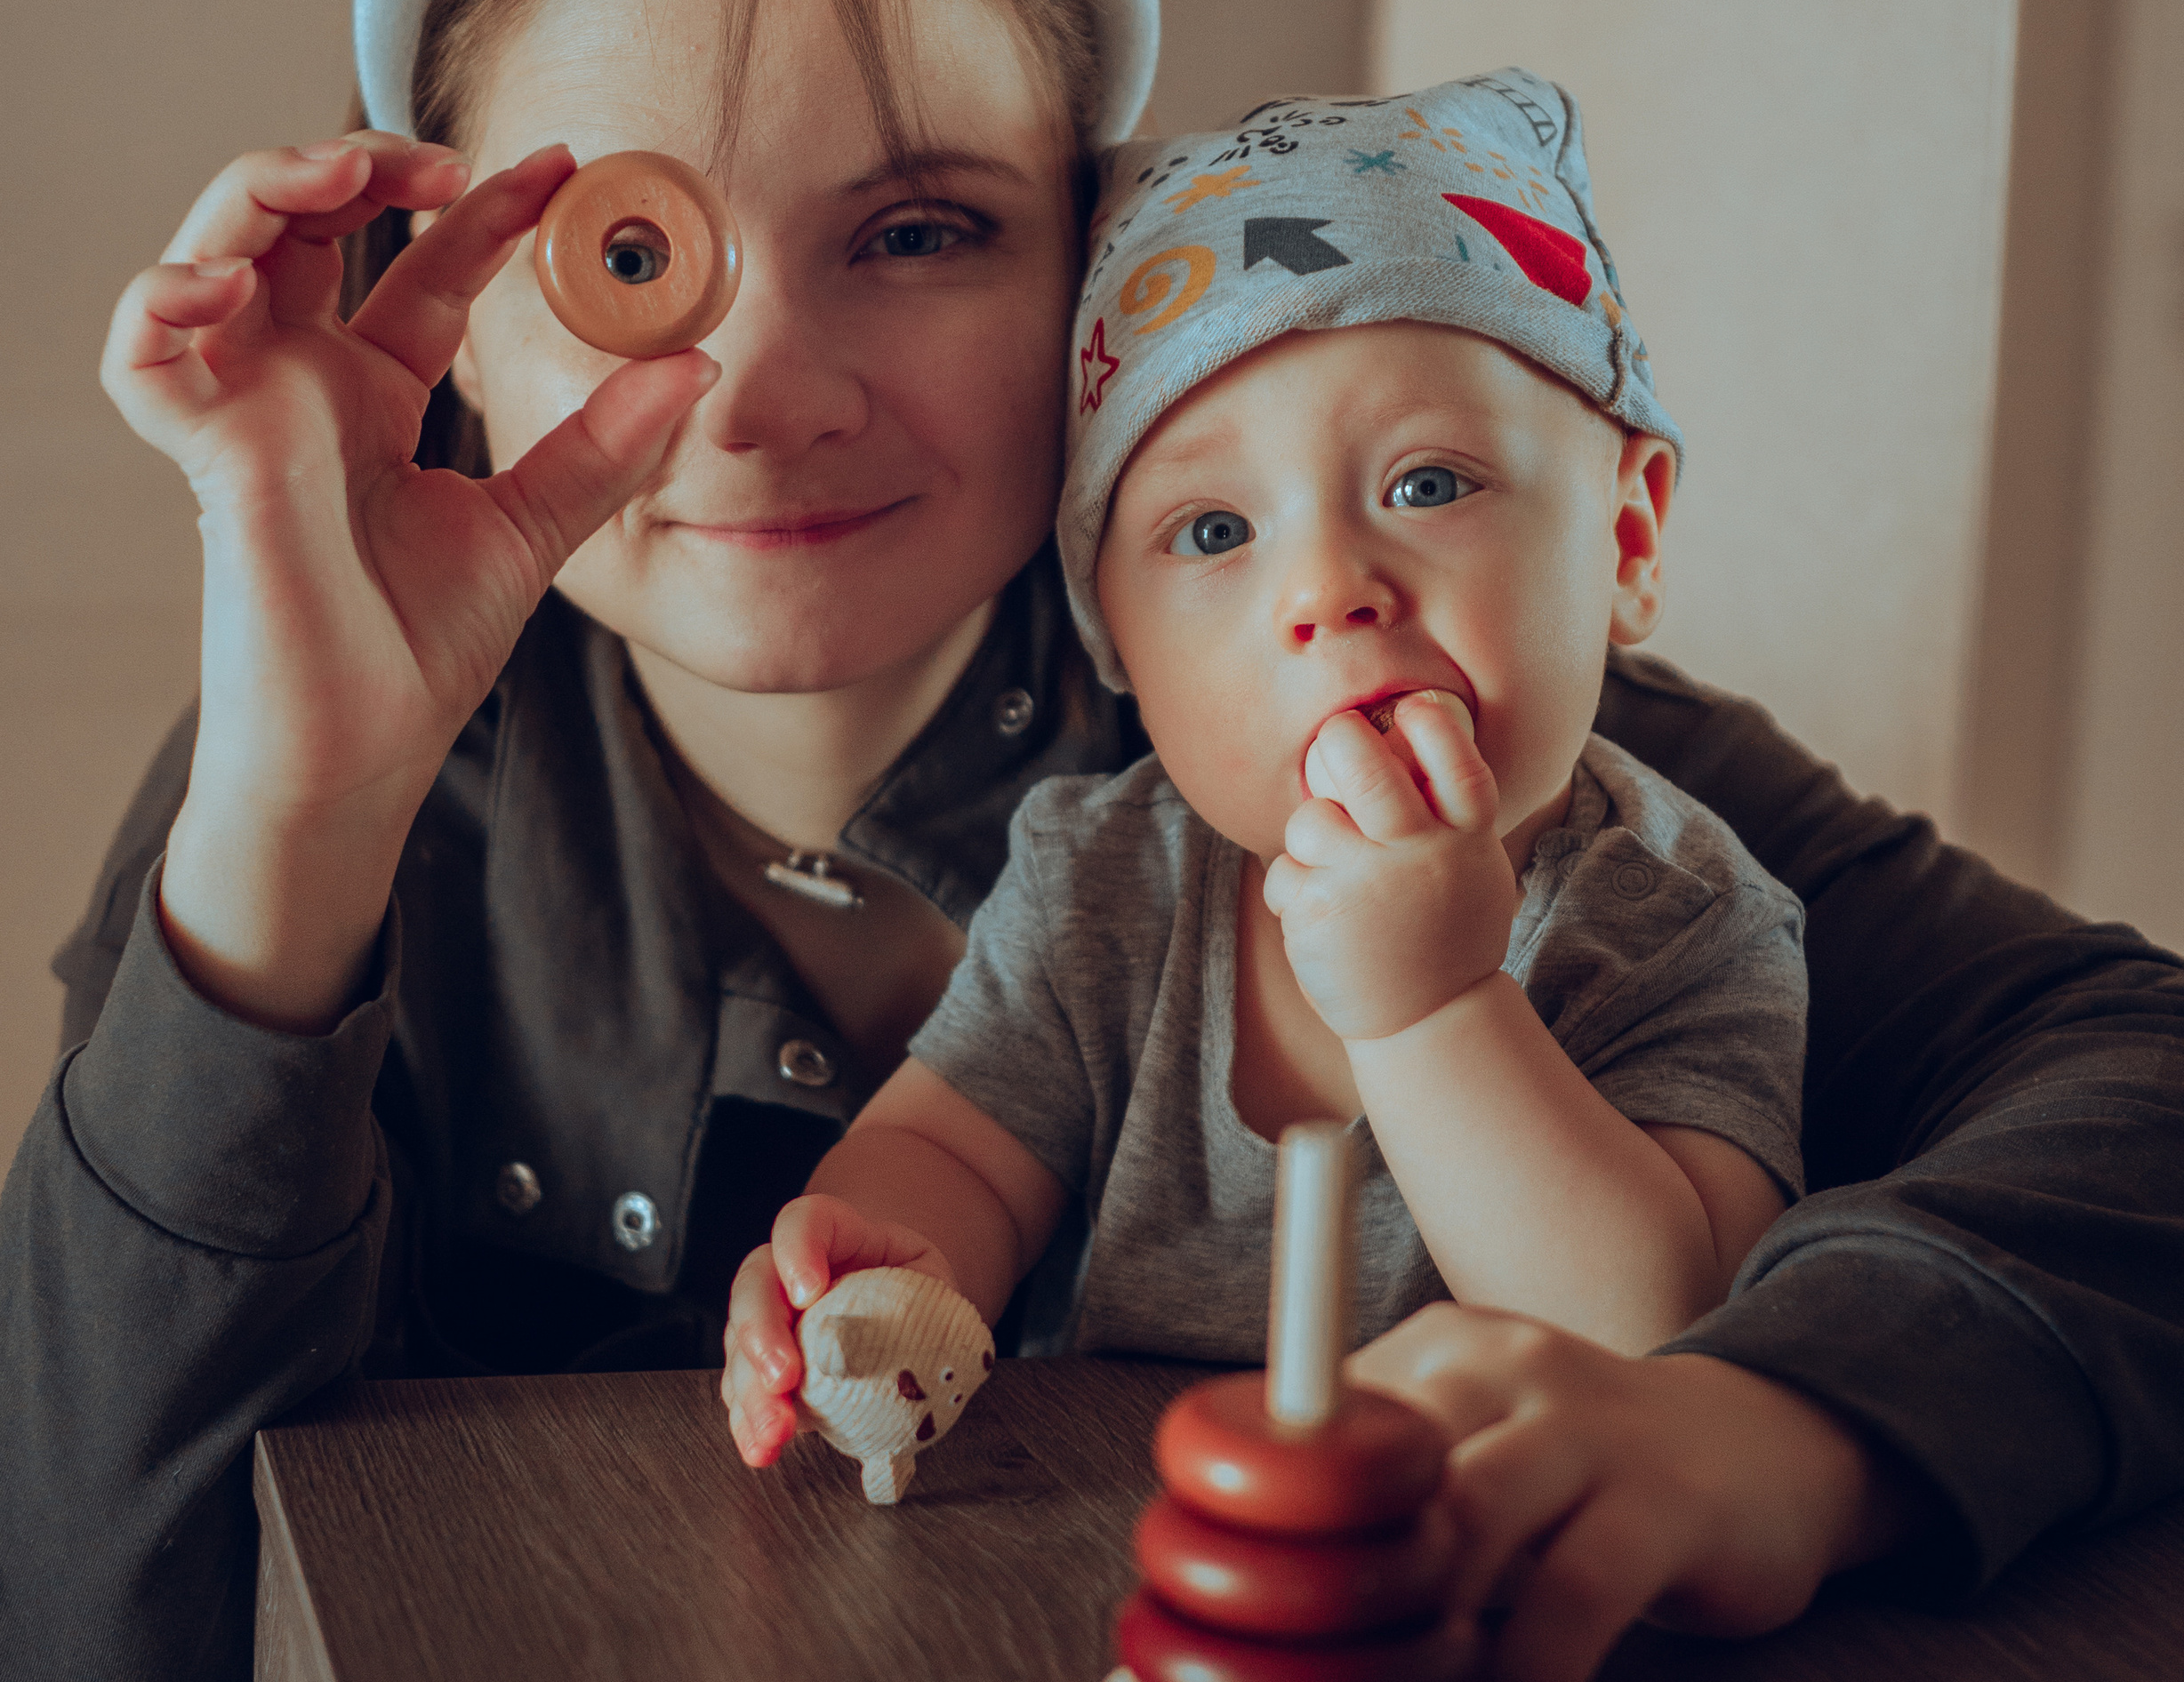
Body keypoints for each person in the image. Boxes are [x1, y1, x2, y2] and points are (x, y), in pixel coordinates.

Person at [0, 0, 2182, 1682]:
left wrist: (1792, 1420)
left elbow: (2137, 1074)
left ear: (1096, 288)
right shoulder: (301, 775)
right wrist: (297, 817)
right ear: (446, 317)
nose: (766, 388)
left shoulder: (1374, 729)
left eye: (918, 228)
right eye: (630, 252)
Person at [720, 76, 1811, 1412]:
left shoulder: (1684, 922)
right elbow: (955, 1150)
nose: (1328, 590)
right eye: (1216, 532)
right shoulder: (1103, 878)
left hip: (1483, 1569)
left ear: (1628, 536)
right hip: (1100, 1545)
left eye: (1428, 484)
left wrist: (1434, 1008)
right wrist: (885, 1260)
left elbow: (1662, 1334)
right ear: (1116, 638)